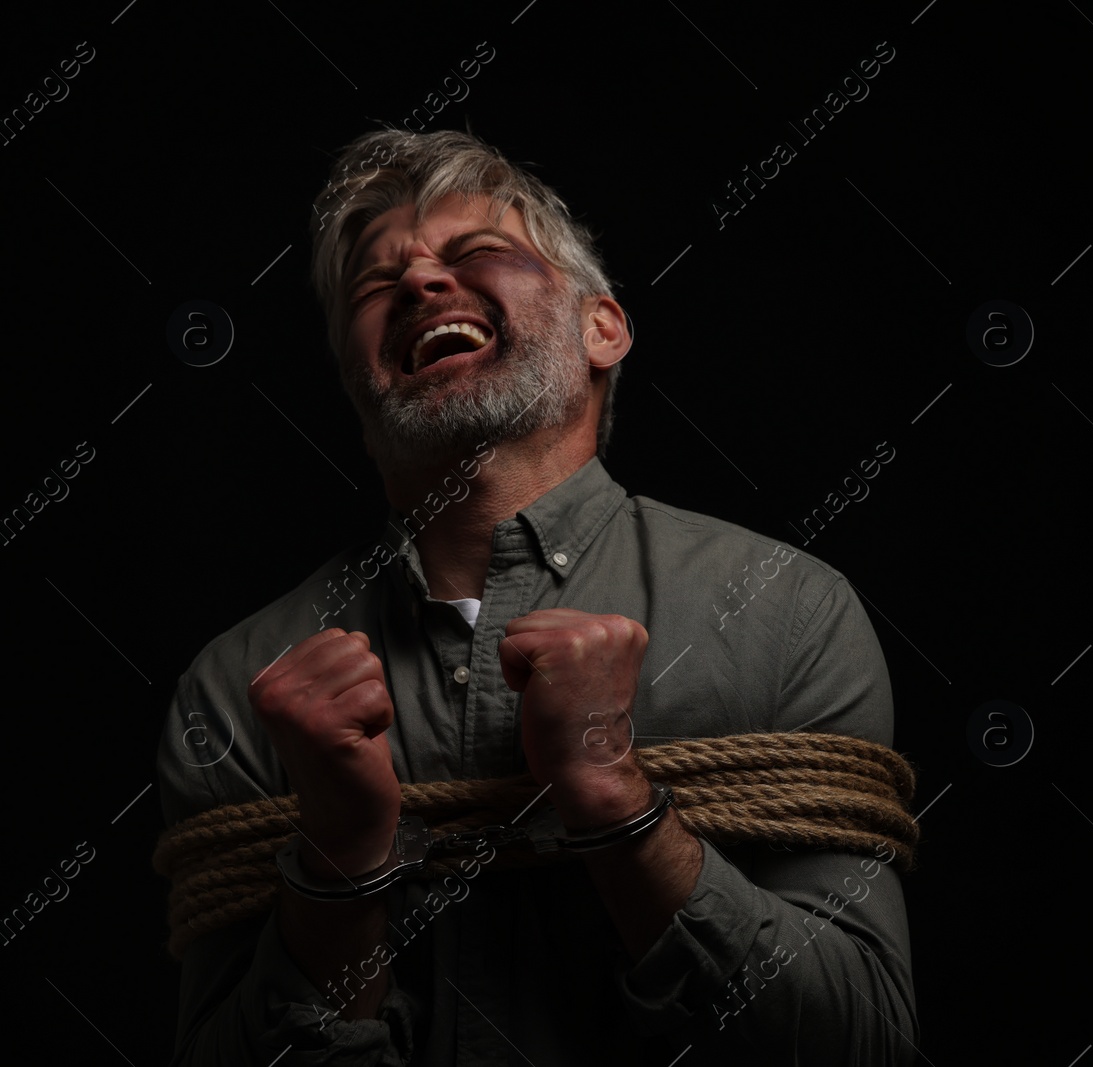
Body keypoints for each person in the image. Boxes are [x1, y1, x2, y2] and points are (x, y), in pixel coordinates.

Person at [155, 128, 917, 1066]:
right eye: (373, 286)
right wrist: (340, 862)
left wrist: (613, 797)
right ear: (358, 380)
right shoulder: (239, 691)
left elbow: (862, 1046)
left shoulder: (787, 611)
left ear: (603, 328)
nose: (422, 284)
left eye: (474, 254)